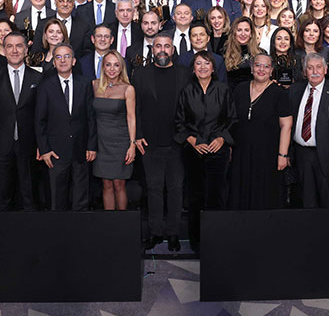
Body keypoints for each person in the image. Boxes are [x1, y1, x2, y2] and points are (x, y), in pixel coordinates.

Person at [135, 34, 192, 251]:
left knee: (176, 189)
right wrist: (138, 134)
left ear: (173, 50)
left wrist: (186, 135)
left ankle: (173, 233)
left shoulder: (184, 73)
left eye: (166, 46)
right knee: (154, 189)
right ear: (152, 49)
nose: (162, 50)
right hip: (149, 142)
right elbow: (135, 108)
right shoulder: (140, 74)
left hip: (177, 142)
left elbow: (191, 106)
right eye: (158, 46)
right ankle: (156, 232)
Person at [174, 51, 236, 251]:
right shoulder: (186, 91)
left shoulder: (223, 90)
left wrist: (221, 139)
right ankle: (197, 243)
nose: (202, 67)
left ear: (213, 68)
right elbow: (179, 122)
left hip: (218, 152)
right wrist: (193, 141)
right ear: (193, 68)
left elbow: (233, 120)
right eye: (198, 63)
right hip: (193, 152)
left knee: (217, 197)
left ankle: (217, 241)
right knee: (195, 197)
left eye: (206, 63)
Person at [0, 33, 44, 211]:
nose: (14, 50)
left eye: (19, 46)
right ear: (4, 50)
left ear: (26, 50)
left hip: (30, 146)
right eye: (9, 46)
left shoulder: (38, 78)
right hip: (2, 146)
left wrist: (42, 145)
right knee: (3, 196)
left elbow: (42, 116)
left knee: (29, 195)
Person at [35, 44, 98, 211]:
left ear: (74, 61)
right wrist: (44, 149)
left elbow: (91, 117)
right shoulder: (45, 86)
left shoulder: (84, 84)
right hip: (55, 152)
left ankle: (79, 227)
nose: (63, 60)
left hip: (81, 150)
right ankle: (58, 227)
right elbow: (40, 121)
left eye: (67, 56)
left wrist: (91, 146)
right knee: (57, 199)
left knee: (81, 199)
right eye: (58, 57)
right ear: (54, 62)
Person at [229, 53, 293, 209]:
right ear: (252, 68)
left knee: (265, 194)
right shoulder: (240, 89)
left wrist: (283, 155)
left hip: (268, 154)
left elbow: (286, 125)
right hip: (241, 152)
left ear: (271, 71)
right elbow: (231, 120)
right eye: (258, 65)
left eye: (266, 66)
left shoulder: (279, 93)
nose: (261, 69)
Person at [288, 53, 329, 208]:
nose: (315, 71)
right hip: (301, 155)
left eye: (318, 67)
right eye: (310, 68)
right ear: (304, 72)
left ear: (325, 69)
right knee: (305, 202)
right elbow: (288, 124)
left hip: (327, 157)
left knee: (327, 202)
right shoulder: (294, 90)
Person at [92, 51, 137, 210]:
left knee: (119, 184)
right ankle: (109, 221)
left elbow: (131, 118)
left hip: (121, 143)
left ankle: (122, 221)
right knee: (106, 184)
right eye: (108, 65)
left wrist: (132, 145)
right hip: (100, 143)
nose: (112, 69)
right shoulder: (94, 85)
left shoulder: (128, 89)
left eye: (116, 65)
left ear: (121, 68)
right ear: (103, 67)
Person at [224, 16, 258, 91]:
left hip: (254, 94)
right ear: (234, 33)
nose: (243, 34)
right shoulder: (224, 52)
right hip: (231, 94)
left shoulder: (260, 53)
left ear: (251, 33)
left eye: (246, 30)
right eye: (239, 30)